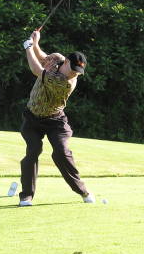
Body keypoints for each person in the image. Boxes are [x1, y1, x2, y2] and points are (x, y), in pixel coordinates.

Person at [18, 30, 95, 207]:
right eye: (74, 69)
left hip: (55, 121)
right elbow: (44, 59)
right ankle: (26, 196)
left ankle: (83, 191)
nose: (75, 74)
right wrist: (36, 43)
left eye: (78, 72)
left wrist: (28, 47)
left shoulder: (66, 83)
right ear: (66, 61)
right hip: (32, 118)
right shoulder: (57, 58)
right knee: (33, 151)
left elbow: (37, 69)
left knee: (61, 152)